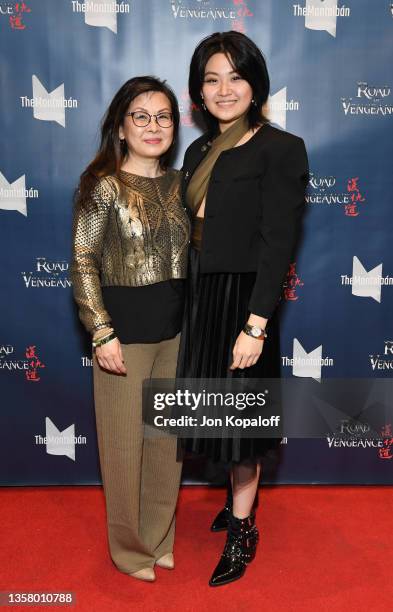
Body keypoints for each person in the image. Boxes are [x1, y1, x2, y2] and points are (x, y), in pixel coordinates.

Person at [177, 31, 309, 586]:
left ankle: (243, 527)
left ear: (256, 85)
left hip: (244, 302)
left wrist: (256, 324)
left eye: (235, 76)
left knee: (242, 427)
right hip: (202, 295)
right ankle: (235, 504)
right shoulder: (198, 150)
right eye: (211, 78)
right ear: (198, 92)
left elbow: (279, 242)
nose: (223, 88)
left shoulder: (281, 148)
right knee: (213, 415)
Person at [70, 76, 190, 582]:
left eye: (163, 116)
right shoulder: (104, 185)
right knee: (124, 449)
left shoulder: (185, 182)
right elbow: (83, 261)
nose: (153, 125)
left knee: (167, 446)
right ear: (120, 126)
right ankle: (129, 550)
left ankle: (159, 537)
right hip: (125, 335)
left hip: (178, 331)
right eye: (140, 115)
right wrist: (101, 332)